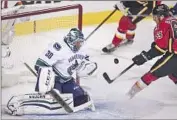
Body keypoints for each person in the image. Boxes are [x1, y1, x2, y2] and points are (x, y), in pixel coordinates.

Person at [6, 28, 97, 115]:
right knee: (51, 100)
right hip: (54, 82)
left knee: (82, 99)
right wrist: (47, 81)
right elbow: (39, 64)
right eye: (77, 42)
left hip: (68, 81)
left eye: (80, 42)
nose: (79, 45)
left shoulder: (82, 50)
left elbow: (83, 64)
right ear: (71, 41)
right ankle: (20, 104)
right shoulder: (58, 48)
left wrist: (89, 67)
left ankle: (56, 97)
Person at [126, 4, 177, 99]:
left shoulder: (162, 24)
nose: (155, 19)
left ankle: (129, 95)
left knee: (151, 74)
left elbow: (160, 48)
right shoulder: (174, 20)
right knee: (173, 73)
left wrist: (144, 57)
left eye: (156, 17)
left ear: (161, 16)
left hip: (175, 56)